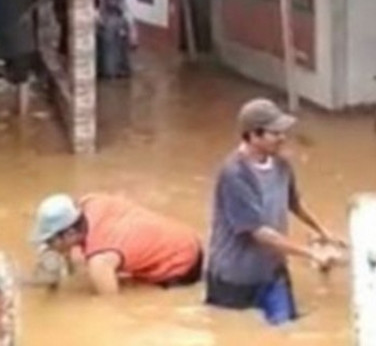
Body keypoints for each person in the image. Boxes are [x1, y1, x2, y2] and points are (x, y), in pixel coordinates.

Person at [205, 98, 346, 324]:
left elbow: (294, 204)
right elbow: (258, 232)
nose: (283, 137)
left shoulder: (281, 165)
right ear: (253, 135)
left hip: (273, 271)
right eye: (275, 132)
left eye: (283, 131)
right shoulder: (234, 174)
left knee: (286, 331)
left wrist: (324, 233)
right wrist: (311, 254)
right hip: (235, 279)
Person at [29, 192, 204, 295]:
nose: (49, 246)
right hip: (188, 239)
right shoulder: (92, 201)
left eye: (51, 241)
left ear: (70, 233)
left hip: (180, 267)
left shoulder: (100, 261)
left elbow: (111, 309)